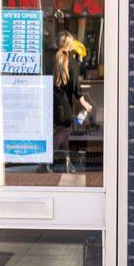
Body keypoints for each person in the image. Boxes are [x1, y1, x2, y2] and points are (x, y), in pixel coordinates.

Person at [51, 30, 93, 174]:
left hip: (53, 102)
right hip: (64, 105)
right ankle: (44, 161)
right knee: (62, 132)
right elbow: (76, 88)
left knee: (65, 134)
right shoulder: (72, 63)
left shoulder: (53, 59)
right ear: (70, 45)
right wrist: (85, 104)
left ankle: (67, 163)